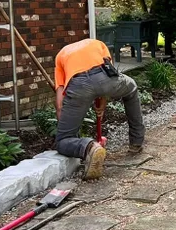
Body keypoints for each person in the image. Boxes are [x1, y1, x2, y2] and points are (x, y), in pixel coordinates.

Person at [54, 38, 145, 180]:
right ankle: (136, 142)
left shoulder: (61, 55)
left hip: (78, 86)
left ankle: (89, 147)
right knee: (131, 88)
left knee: (62, 141)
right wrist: (103, 101)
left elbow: (59, 104)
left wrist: (65, 126)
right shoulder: (97, 43)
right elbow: (109, 71)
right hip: (104, 78)